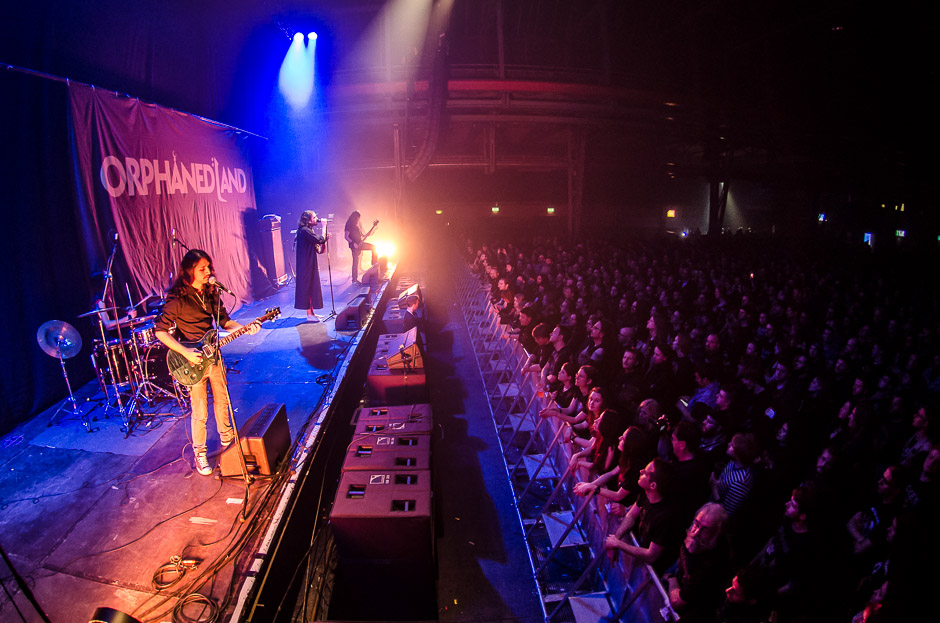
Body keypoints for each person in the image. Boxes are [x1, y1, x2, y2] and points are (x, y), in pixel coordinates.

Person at [154, 249, 260, 476]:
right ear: (189, 271)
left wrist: (245, 328)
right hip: (192, 360)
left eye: (209, 267)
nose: (208, 272)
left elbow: (225, 322)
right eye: (202, 269)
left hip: (214, 356)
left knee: (222, 401)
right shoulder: (178, 298)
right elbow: (160, 331)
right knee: (200, 409)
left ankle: (228, 442)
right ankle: (200, 453)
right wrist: (185, 352)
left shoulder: (212, 293)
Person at [294, 210, 329, 323]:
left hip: (309, 263)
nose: (316, 219)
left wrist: (325, 239)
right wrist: (324, 227)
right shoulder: (304, 231)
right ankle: (309, 314)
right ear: (308, 220)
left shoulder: (308, 231)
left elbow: (319, 249)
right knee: (308, 287)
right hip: (305, 265)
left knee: (312, 286)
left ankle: (312, 313)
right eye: (314, 217)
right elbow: (320, 239)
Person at [344, 210, 378, 285]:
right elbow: (346, 236)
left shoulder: (357, 225)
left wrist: (370, 232)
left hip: (360, 243)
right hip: (354, 245)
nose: (359, 220)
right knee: (355, 262)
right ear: (355, 217)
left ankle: (374, 263)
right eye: (358, 218)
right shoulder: (349, 224)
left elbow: (362, 235)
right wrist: (353, 243)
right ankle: (354, 280)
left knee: (373, 247)